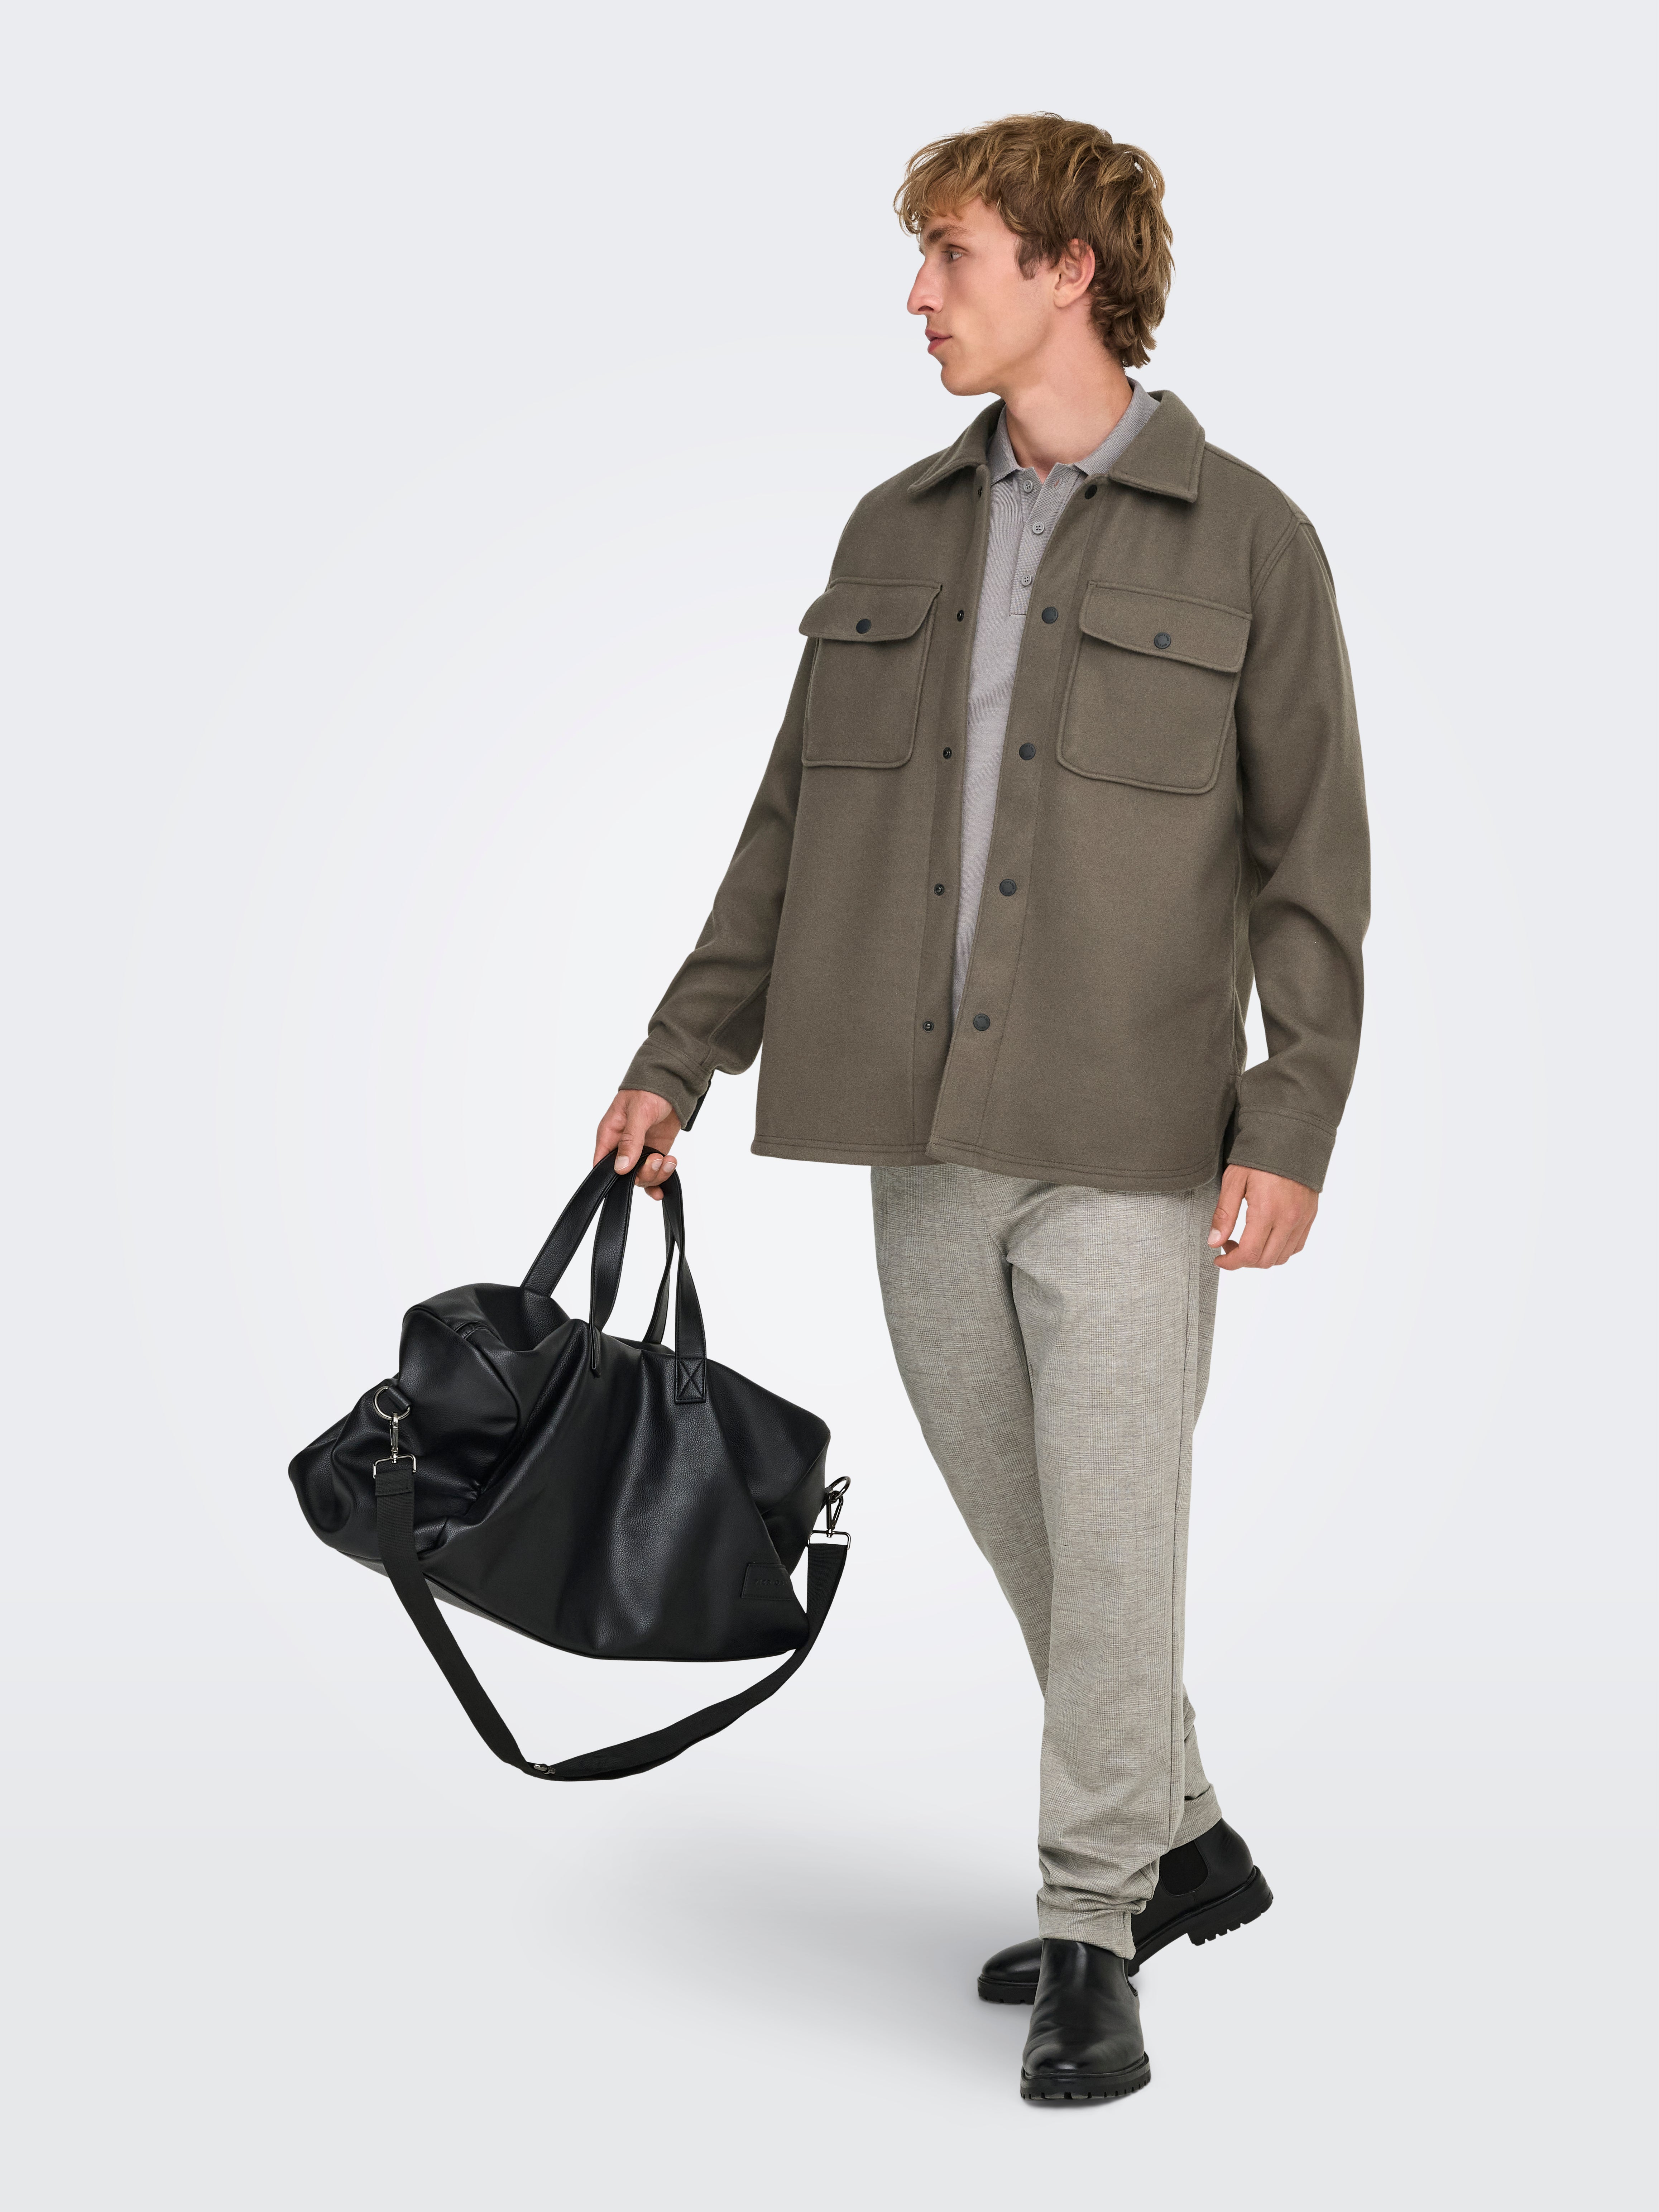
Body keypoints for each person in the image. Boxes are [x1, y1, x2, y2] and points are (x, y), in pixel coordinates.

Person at [594, 112, 1369, 2104]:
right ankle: (1185, 1836)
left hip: (1132, 1140)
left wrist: (1289, 1118)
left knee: (1114, 1545)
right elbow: (787, 827)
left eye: (950, 254)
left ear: (1066, 272)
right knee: (1044, 1541)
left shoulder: (1250, 539)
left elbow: (1312, 864)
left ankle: (1095, 1930)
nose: (917, 296)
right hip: (915, 1133)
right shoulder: (894, 530)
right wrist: (679, 1057)